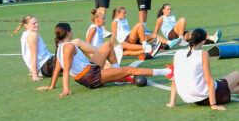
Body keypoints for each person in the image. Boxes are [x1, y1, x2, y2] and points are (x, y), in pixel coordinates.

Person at [37, 22, 169, 96]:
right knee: (129, 69)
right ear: (68, 32)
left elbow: (57, 68)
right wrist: (66, 89)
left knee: (107, 45)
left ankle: (118, 77)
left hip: (90, 69)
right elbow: (64, 70)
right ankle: (166, 72)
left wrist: (52, 85)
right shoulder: (69, 47)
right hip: (89, 76)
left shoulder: (60, 46)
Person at [167, 28, 239, 111]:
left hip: (194, 100)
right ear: (203, 41)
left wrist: (172, 102)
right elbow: (209, 81)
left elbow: (175, 79)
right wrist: (213, 105)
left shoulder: (177, 54)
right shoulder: (203, 54)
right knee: (236, 75)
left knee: (235, 88)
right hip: (207, 97)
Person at [15, 15, 54, 81]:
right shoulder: (33, 35)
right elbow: (33, 55)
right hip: (46, 66)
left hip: (44, 67)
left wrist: (32, 70)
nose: (37, 25)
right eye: (34, 23)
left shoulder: (25, 34)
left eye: (37, 22)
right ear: (26, 25)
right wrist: (35, 75)